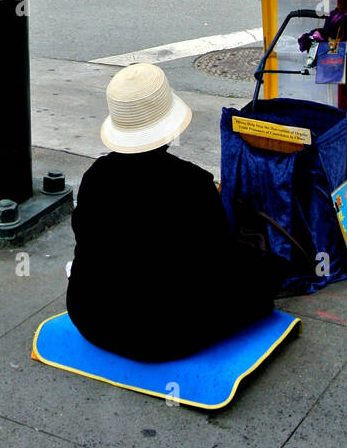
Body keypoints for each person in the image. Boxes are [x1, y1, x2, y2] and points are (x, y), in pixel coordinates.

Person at [65, 63, 277, 362]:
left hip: (90, 316)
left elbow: (87, 241)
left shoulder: (95, 175)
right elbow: (218, 259)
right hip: (162, 337)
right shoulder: (191, 183)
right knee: (260, 281)